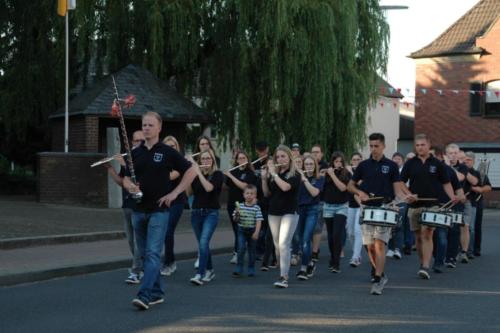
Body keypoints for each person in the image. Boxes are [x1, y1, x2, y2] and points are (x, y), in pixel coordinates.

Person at [124, 112, 196, 310]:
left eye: (150, 125)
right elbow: (125, 178)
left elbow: (190, 171)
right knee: (145, 255)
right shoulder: (135, 153)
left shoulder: (166, 151)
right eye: (144, 124)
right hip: (137, 210)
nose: (146, 128)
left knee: (153, 253)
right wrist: (130, 186)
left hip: (159, 211)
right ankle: (156, 293)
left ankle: (144, 295)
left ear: (159, 127)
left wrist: (175, 193)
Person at [348, 133, 407, 295]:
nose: (373, 149)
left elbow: (397, 190)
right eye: (371, 146)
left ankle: (378, 277)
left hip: (384, 208)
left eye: (376, 146)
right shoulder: (363, 165)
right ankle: (379, 272)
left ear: (383, 146)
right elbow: (350, 185)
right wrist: (359, 193)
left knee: (380, 244)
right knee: (369, 246)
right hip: (366, 209)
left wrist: (398, 202)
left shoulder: (392, 166)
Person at [401, 134, 457, 280]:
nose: (420, 147)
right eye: (417, 145)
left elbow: (446, 183)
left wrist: (452, 197)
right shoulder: (410, 163)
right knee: (418, 237)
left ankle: (425, 265)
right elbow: (400, 182)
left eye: (422, 145)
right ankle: (422, 262)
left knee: (428, 233)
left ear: (428, 145)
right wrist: (408, 194)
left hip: (432, 205)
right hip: (414, 205)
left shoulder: (437, 164)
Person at [105, 130, 145, 284]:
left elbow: (138, 180)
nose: (139, 143)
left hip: (139, 205)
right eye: (136, 141)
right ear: (132, 142)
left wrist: (125, 164)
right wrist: (110, 169)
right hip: (127, 205)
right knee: (130, 239)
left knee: (137, 240)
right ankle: (141, 266)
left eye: (142, 141)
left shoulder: (143, 158)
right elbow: (123, 182)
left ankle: (136, 270)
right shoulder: (130, 157)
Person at [261, 145, 301, 288]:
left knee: (284, 243)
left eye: (283, 156)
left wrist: (274, 174)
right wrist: (264, 179)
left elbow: (285, 188)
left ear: (289, 158)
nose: (280, 159)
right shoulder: (274, 175)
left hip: (290, 212)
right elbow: (266, 194)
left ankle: (284, 276)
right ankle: (282, 266)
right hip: (274, 212)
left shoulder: (296, 174)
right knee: (278, 246)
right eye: (278, 157)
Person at [187, 149, 224, 285]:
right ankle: (210, 270)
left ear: (213, 160)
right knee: (203, 245)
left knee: (203, 243)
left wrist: (198, 172)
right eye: (203, 159)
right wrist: (188, 173)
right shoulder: (196, 175)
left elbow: (209, 188)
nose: (206, 161)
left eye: (208, 158)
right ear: (200, 161)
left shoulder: (218, 174)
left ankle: (199, 274)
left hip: (211, 213)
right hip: (196, 213)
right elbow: (188, 193)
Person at [432, 146, 465, 273]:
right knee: (432, 236)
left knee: (444, 235)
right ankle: (437, 257)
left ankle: (442, 261)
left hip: (446, 206)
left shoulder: (448, 170)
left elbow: (458, 188)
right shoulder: (427, 170)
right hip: (430, 206)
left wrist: (460, 196)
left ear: (440, 157)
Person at [160, 135, 187, 276]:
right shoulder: (160, 160)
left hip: (177, 200)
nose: (170, 149)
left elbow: (170, 176)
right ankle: (171, 261)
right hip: (163, 200)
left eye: (173, 146)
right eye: (167, 146)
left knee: (168, 230)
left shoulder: (179, 163)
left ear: (177, 148)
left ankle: (168, 263)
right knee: (163, 231)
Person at [224, 151, 257, 264]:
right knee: (235, 229)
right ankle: (240, 250)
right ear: (237, 160)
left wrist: (230, 176)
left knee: (240, 229)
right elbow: (228, 185)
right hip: (232, 204)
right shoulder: (234, 171)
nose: (242, 160)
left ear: (247, 160)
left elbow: (245, 186)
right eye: (239, 158)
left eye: (244, 158)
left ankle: (238, 253)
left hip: (245, 205)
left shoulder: (250, 173)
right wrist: (228, 174)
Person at [295, 156, 325, 280]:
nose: (309, 166)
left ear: (315, 165)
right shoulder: (298, 178)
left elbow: (314, 193)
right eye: (306, 164)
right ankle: (310, 263)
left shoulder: (319, 178)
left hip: (313, 210)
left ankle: (303, 269)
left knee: (306, 239)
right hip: (299, 210)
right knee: (299, 239)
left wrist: (304, 179)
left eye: (311, 164)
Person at [322, 152, 351, 273]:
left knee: (336, 234)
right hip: (328, 206)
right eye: (336, 162)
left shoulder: (346, 174)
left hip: (341, 206)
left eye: (340, 162)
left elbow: (343, 188)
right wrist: (322, 175)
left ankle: (336, 262)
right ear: (332, 162)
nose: (338, 164)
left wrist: (332, 174)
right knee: (330, 236)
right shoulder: (327, 174)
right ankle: (333, 258)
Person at [253, 141, 277, 270]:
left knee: (269, 232)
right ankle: (260, 253)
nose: (261, 154)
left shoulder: (273, 164)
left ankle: (272, 257)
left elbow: (271, 189)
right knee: (261, 230)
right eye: (259, 151)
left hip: (271, 203)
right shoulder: (255, 163)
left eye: (263, 151)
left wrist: (269, 173)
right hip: (259, 202)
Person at [232, 185, 263, 277]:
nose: (249, 195)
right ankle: (239, 267)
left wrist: (257, 232)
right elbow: (235, 220)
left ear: (255, 195)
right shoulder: (239, 206)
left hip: (252, 230)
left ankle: (251, 268)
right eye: (247, 193)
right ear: (243, 195)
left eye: (252, 193)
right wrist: (237, 214)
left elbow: (259, 221)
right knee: (241, 248)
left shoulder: (256, 208)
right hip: (241, 230)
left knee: (252, 251)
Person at [310, 144, 329, 262]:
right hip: (308, 201)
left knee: (317, 227)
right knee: (310, 228)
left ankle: (315, 252)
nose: (314, 154)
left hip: (320, 200)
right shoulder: (307, 165)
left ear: (321, 154)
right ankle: (314, 248)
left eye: (317, 152)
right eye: (312, 152)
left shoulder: (325, 167)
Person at [386, 152, 406, 260]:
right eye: (394, 159)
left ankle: (398, 249)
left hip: (401, 201)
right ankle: (390, 248)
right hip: (390, 202)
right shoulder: (388, 171)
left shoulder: (404, 172)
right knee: (390, 225)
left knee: (399, 225)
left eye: (398, 159)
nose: (396, 160)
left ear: (402, 161)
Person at [346, 152, 363, 267]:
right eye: (354, 160)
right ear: (351, 161)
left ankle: (355, 257)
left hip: (361, 205)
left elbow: (360, 183)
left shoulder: (364, 172)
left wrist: (352, 172)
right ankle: (356, 253)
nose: (356, 162)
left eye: (358, 160)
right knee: (350, 232)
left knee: (358, 231)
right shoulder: (347, 173)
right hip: (351, 205)